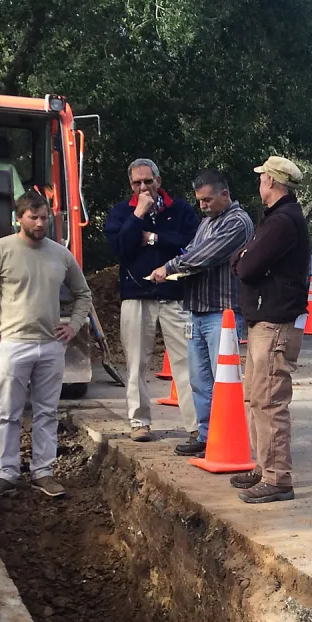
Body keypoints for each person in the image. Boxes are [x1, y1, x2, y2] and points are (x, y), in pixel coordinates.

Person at [0, 189, 92, 499]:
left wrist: (74, 325)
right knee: (9, 413)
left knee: (47, 413)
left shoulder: (61, 255)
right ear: (18, 218)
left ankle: (43, 471)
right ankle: (7, 472)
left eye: (45, 218)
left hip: (51, 346)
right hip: (12, 345)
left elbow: (83, 294)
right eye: (33, 217)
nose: (40, 223)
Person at [151, 170, 255, 456]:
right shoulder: (207, 222)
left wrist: (171, 267)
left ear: (225, 194)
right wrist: (180, 264)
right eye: (199, 201)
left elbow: (206, 255)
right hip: (198, 310)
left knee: (223, 382)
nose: (203, 205)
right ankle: (207, 435)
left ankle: (224, 437)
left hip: (222, 312)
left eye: (208, 199)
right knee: (199, 380)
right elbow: (194, 251)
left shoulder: (237, 222)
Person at [229, 156, 311, 504]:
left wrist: (242, 257)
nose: (259, 182)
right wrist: (243, 256)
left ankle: (277, 477)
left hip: (274, 323)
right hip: (267, 320)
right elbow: (245, 259)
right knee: (257, 397)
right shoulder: (279, 220)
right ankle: (265, 468)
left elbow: (246, 266)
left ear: (272, 182)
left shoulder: (281, 223)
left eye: (262, 177)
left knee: (270, 399)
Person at [104, 157, 199, 444]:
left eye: (148, 180)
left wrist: (152, 238)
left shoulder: (180, 209)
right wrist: (138, 217)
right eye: (137, 182)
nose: (143, 186)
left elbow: (190, 243)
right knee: (136, 363)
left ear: (159, 180)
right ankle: (139, 422)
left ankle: (196, 426)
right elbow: (120, 247)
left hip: (175, 297)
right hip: (136, 296)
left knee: (186, 363)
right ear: (130, 185)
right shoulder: (122, 212)